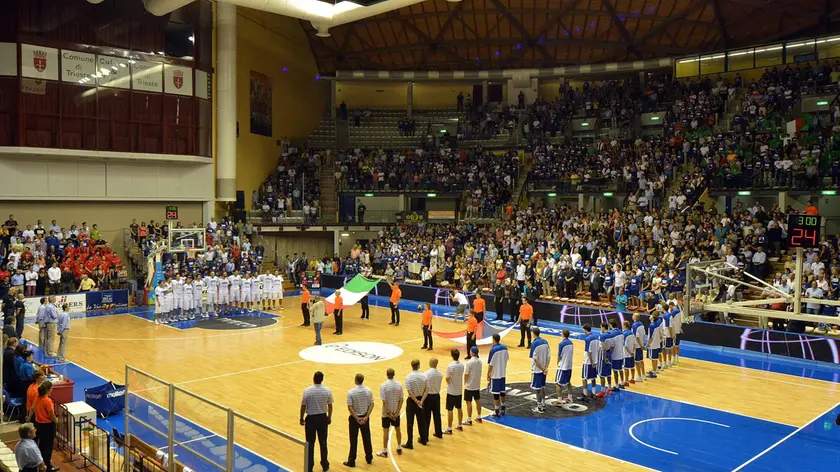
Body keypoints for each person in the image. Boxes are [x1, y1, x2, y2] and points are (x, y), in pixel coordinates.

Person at [299, 371, 333, 472]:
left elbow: (303, 406)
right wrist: (329, 417)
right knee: (323, 443)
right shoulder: (327, 390)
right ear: (322, 379)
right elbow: (330, 406)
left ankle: (309, 466)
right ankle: (324, 464)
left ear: (313, 378)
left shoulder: (307, 391)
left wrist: (301, 418)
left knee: (310, 444)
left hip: (311, 420)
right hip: (322, 418)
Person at [344, 373, 374, 468]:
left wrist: (357, 418)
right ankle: (369, 458)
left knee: (353, 440)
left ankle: (351, 460)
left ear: (355, 380)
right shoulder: (368, 391)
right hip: (365, 417)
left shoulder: (351, 392)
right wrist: (366, 417)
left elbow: (350, 407)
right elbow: (371, 404)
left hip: (354, 419)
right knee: (367, 438)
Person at [29, 381, 59, 471]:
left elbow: (33, 408)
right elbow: (51, 415)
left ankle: (41, 462)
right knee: (48, 446)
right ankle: (48, 465)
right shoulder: (48, 401)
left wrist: (29, 417)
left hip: (39, 424)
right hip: (48, 425)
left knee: (42, 444)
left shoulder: (38, 398)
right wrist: (56, 421)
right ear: (49, 389)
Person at [377, 368, 404, 458]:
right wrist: (396, 412)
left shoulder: (383, 386)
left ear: (386, 374)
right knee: (398, 429)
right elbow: (401, 400)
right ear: (394, 374)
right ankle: (399, 447)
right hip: (396, 412)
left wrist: (389, 414)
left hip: (386, 414)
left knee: (386, 431)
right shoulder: (399, 385)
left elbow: (384, 402)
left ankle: (385, 451)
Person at [403, 359, 428, 449]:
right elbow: (427, 390)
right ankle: (424, 439)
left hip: (412, 401)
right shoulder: (424, 376)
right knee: (422, 421)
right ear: (419, 366)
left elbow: (409, 392)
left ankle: (410, 442)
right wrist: (421, 401)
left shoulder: (408, 377)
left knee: (410, 422)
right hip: (421, 399)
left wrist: (415, 401)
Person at [487, 333, 509, 417]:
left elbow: (491, 364)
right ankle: (503, 408)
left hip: (495, 374)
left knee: (496, 393)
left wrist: (488, 374)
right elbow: (507, 358)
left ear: (493, 339)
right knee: (502, 392)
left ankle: (496, 411)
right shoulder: (505, 348)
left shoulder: (493, 350)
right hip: (503, 373)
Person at [443, 348, 464, 434]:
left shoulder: (450, 366)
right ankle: (459, 424)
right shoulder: (462, 365)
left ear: (452, 355)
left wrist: (448, 382)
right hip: (459, 390)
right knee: (459, 408)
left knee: (450, 409)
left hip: (451, 391)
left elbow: (447, 378)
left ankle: (449, 428)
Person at [529, 328, 550, 413]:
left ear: (533, 333)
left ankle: (539, 407)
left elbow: (535, 359)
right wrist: (546, 368)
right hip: (544, 370)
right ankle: (543, 404)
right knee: (542, 387)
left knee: (537, 389)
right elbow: (549, 357)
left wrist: (542, 368)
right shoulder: (545, 342)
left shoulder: (534, 343)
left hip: (537, 370)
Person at [423, 358, 444, 439]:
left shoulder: (426, 374)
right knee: (437, 416)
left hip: (428, 396)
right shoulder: (440, 374)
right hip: (436, 396)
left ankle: (425, 436)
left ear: (430, 363)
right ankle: (439, 432)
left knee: (426, 417)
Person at [554, 329, 575, 404]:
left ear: (563, 334)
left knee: (558, 383)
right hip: (569, 366)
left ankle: (559, 401)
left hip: (562, 366)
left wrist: (557, 362)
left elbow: (559, 355)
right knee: (568, 382)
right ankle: (570, 398)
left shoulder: (561, 344)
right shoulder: (571, 343)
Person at [463, 346, 482, 425]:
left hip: (469, 386)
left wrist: (464, 381)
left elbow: (466, 374)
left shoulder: (469, 362)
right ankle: (479, 416)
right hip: (477, 385)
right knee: (478, 401)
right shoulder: (480, 362)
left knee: (468, 402)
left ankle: (469, 419)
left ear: (472, 352)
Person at [581, 324, 598, 400]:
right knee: (593, 378)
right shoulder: (596, 337)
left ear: (585, 329)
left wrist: (591, 362)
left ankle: (585, 395)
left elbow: (589, 352)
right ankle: (593, 393)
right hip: (595, 360)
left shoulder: (587, 339)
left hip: (588, 362)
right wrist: (594, 361)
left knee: (584, 378)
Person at [631, 313, 647, 382]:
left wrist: (640, 345)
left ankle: (639, 376)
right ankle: (644, 375)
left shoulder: (634, 325)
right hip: (640, 345)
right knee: (641, 361)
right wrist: (642, 344)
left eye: (633, 315)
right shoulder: (641, 324)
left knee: (637, 362)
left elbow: (636, 337)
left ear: (635, 317)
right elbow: (643, 334)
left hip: (637, 346)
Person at [647, 312, 663, 378]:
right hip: (657, 343)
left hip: (652, 344)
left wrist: (648, 344)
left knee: (653, 359)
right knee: (655, 358)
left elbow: (650, 337)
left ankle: (654, 373)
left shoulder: (651, 325)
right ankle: (655, 370)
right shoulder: (657, 324)